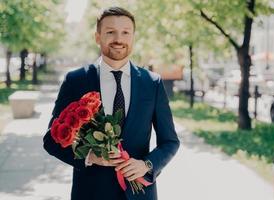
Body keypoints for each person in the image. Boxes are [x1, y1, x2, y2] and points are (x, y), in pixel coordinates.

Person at [43, 6, 180, 200]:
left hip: (139, 194)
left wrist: (147, 165)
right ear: (97, 37)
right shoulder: (76, 80)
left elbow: (170, 142)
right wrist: (89, 156)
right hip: (90, 193)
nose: (118, 39)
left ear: (133, 37)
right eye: (110, 32)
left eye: (125, 32)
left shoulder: (152, 83)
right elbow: (51, 140)